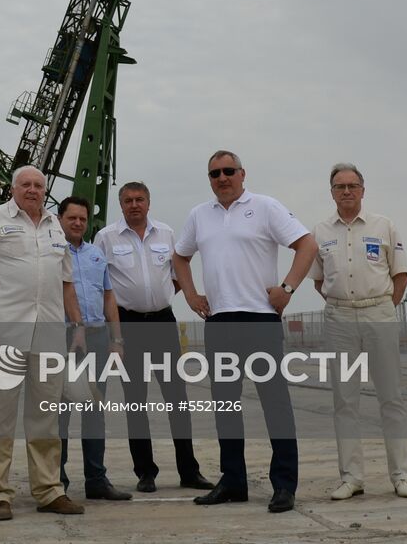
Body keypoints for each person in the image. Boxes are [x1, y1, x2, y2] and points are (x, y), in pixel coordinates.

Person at [174, 150, 316, 514]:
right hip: (220, 321)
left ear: (242, 173)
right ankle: (233, 480)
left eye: (228, 171)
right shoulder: (199, 216)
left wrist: (287, 288)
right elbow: (180, 256)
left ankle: (284, 484)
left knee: (275, 405)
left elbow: (307, 245)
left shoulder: (265, 207)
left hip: (260, 319)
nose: (222, 178)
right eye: (214, 173)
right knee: (226, 406)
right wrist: (190, 294)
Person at [0, 165, 86, 521]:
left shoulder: (56, 227)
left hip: (50, 334)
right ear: (14, 188)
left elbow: (66, 282)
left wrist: (77, 325)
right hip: (6, 335)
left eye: (38, 185)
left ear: (45, 189)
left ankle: (49, 490)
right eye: (26, 184)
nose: (33, 189)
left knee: (45, 418)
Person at [94, 181, 213, 493]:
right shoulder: (106, 238)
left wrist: (156, 299)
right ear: (121, 205)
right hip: (128, 324)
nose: (135, 205)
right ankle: (145, 472)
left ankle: (189, 471)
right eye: (129, 200)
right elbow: (103, 287)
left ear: (149, 203)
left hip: (161, 321)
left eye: (140, 199)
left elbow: (175, 278)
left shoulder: (166, 233)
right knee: (136, 402)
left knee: (177, 399)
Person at [312, 163, 407, 500]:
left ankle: (401, 475)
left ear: (362, 190)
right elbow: (318, 280)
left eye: (352, 186)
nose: (346, 192)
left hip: (379, 313)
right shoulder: (321, 231)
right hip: (340, 319)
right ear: (331, 192)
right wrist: (344, 303)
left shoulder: (384, 226)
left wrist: (382, 309)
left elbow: (400, 276)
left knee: (391, 397)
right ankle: (351, 477)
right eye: (339, 186)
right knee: (345, 400)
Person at [56, 195, 131, 502]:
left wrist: (117, 339)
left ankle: (96, 479)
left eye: (82, 219)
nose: (77, 223)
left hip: (98, 338)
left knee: (94, 409)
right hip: (62, 338)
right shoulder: (52, 254)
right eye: (72, 218)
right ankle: (55, 480)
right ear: (60, 219)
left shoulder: (96, 255)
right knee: (58, 411)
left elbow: (109, 297)